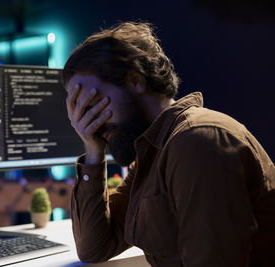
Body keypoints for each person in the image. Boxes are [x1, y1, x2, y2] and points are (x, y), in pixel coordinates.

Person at [63, 21, 275, 266]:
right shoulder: (154, 151)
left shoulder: (196, 141)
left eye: (94, 103)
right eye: (79, 110)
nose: (89, 122)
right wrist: (93, 149)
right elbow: (95, 248)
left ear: (135, 81)